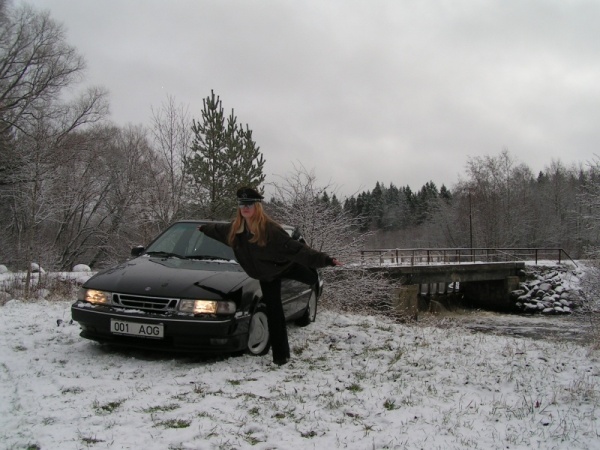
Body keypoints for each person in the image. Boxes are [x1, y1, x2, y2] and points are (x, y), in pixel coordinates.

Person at [198, 187, 342, 366]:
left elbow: (298, 249)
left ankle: (312, 274)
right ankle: (281, 357)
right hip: (267, 275)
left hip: (286, 266)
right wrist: (204, 228)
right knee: (275, 313)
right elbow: (218, 230)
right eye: (242, 204)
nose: (245, 208)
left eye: (249, 204)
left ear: (257, 206)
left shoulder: (271, 230)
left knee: (310, 277)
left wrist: (326, 259)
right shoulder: (235, 230)